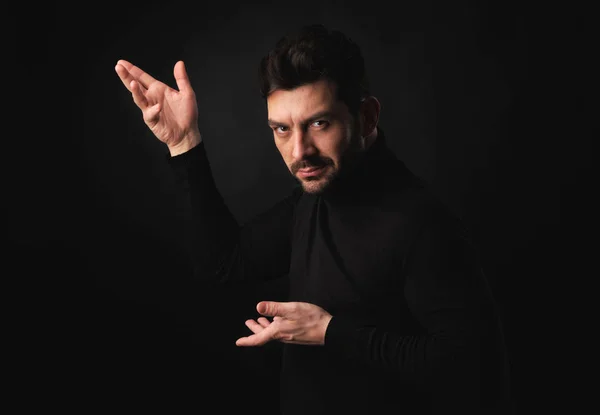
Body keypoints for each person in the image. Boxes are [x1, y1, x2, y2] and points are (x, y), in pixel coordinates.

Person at [115, 23, 513, 415]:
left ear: (368, 117)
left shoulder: (421, 224)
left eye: (319, 123)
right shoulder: (315, 199)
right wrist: (184, 143)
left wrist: (329, 332)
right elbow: (222, 264)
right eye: (282, 129)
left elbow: (473, 368)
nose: (299, 151)